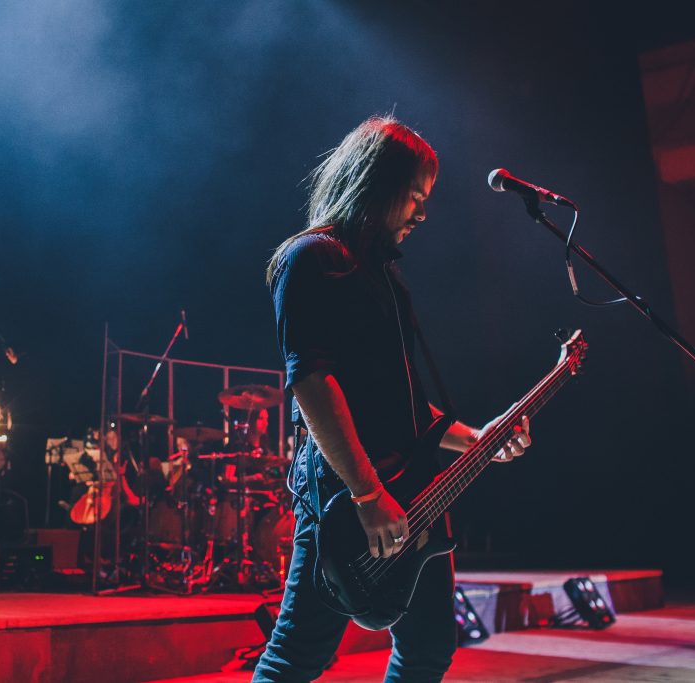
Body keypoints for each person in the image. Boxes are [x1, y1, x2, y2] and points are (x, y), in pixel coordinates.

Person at [254, 116, 532, 682]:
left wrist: (476, 441)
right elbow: (312, 382)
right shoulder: (311, 258)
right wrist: (366, 492)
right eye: (413, 198)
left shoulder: (381, 274)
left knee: (428, 650)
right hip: (345, 491)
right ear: (374, 186)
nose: (422, 215)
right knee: (298, 655)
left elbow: (404, 406)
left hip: (411, 491)